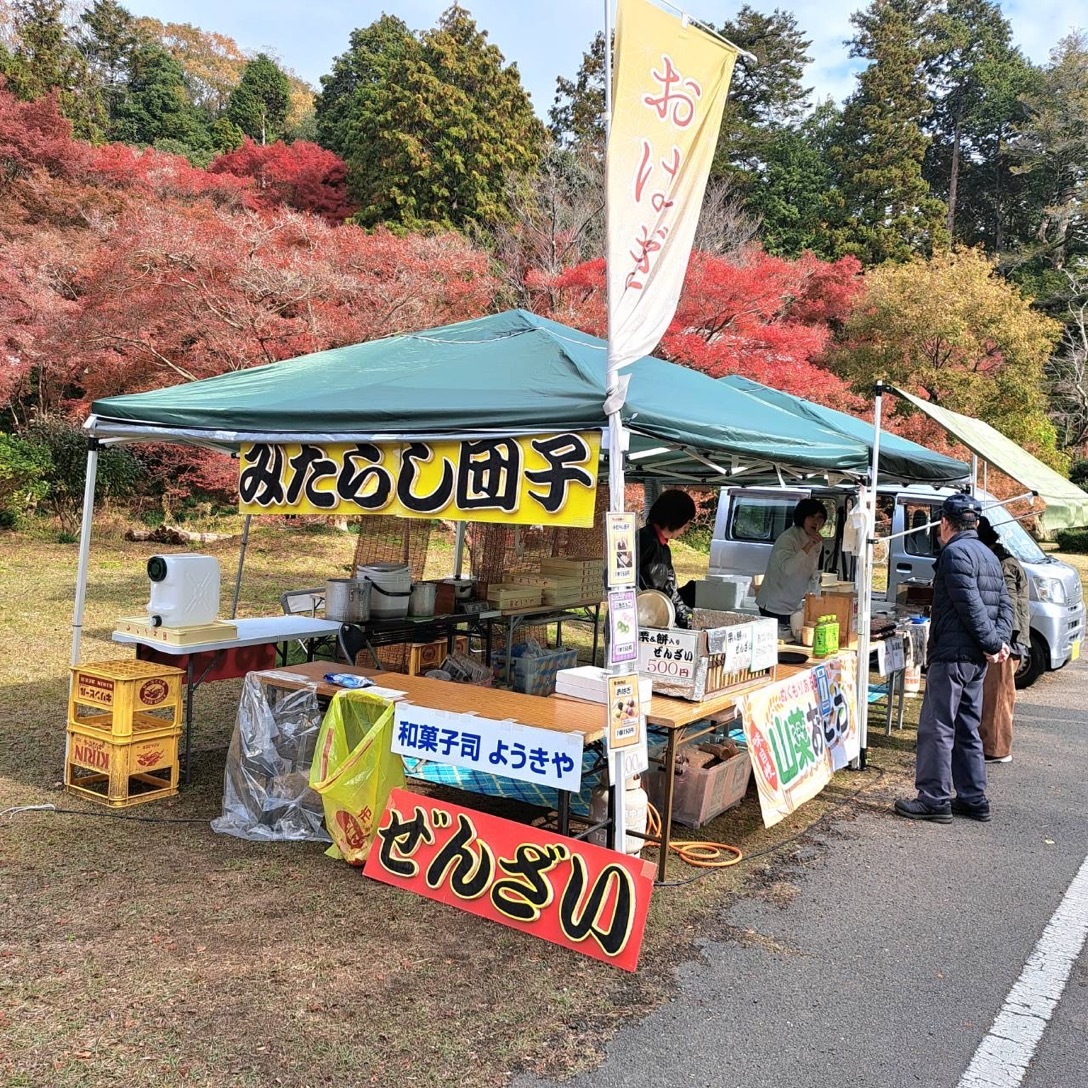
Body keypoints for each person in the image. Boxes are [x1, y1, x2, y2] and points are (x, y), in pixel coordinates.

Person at [894, 493, 1013, 824]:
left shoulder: (955, 553)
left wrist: (993, 641)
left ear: (945, 523)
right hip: (975, 658)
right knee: (966, 727)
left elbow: (969, 604)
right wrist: (998, 641)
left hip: (954, 654)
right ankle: (973, 797)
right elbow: (1004, 604)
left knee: (938, 726)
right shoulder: (988, 554)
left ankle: (934, 798)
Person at [976, 516, 1030, 764]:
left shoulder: (1003, 564)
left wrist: (1000, 643)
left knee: (998, 698)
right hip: (1008, 639)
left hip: (1007, 641)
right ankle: (991, 744)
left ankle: (996, 749)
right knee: (997, 696)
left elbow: (1005, 605)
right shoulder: (1001, 559)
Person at [755, 498, 828, 622]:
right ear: (802, 517)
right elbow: (789, 569)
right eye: (811, 516)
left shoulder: (817, 541)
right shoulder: (788, 538)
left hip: (794, 603)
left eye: (820, 517)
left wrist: (816, 578)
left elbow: (810, 568)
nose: (816, 522)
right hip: (774, 604)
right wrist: (808, 546)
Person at [637, 489, 696, 629]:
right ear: (677, 518)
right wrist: (685, 621)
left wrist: (684, 620)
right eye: (686, 524)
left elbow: (670, 588)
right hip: (644, 616)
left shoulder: (659, 545)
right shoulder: (649, 543)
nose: (685, 529)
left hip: (649, 614)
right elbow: (664, 589)